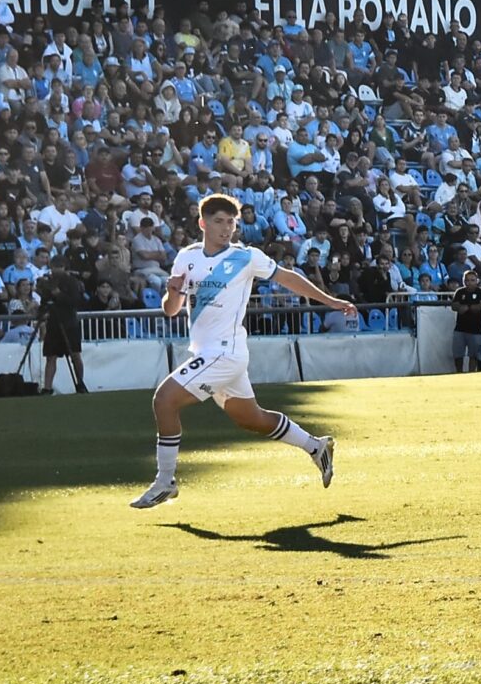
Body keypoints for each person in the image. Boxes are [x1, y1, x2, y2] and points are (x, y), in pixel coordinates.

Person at [129, 194, 352, 509]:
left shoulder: (246, 257)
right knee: (252, 418)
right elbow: (171, 309)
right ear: (202, 223)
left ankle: (165, 481)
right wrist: (174, 291)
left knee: (164, 400)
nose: (225, 228)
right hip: (206, 353)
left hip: (225, 353)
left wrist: (331, 301)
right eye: (219, 221)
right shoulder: (186, 257)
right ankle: (316, 447)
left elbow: (290, 279)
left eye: (230, 222)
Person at [37, 267, 89, 395]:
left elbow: (75, 302)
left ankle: (80, 383)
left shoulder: (72, 282)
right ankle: (47, 388)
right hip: (53, 324)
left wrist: (58, 294)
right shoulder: (48, 284)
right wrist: (43, 312)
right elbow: (44, 303)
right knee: (51, 357)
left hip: (69, 323)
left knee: (75, 355)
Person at [450, 268, 481, 372]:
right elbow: (454, 306)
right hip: (460, 328)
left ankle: (472, 374)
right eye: (467, 280)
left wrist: (468, 307)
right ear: (463, 281)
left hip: (476, 329)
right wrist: (463, 307)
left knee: (474, 355)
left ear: (477, 281)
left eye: (472, 280)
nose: (469, 282)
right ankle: (459, 373)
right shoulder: (459, 292)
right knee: (458, 355)